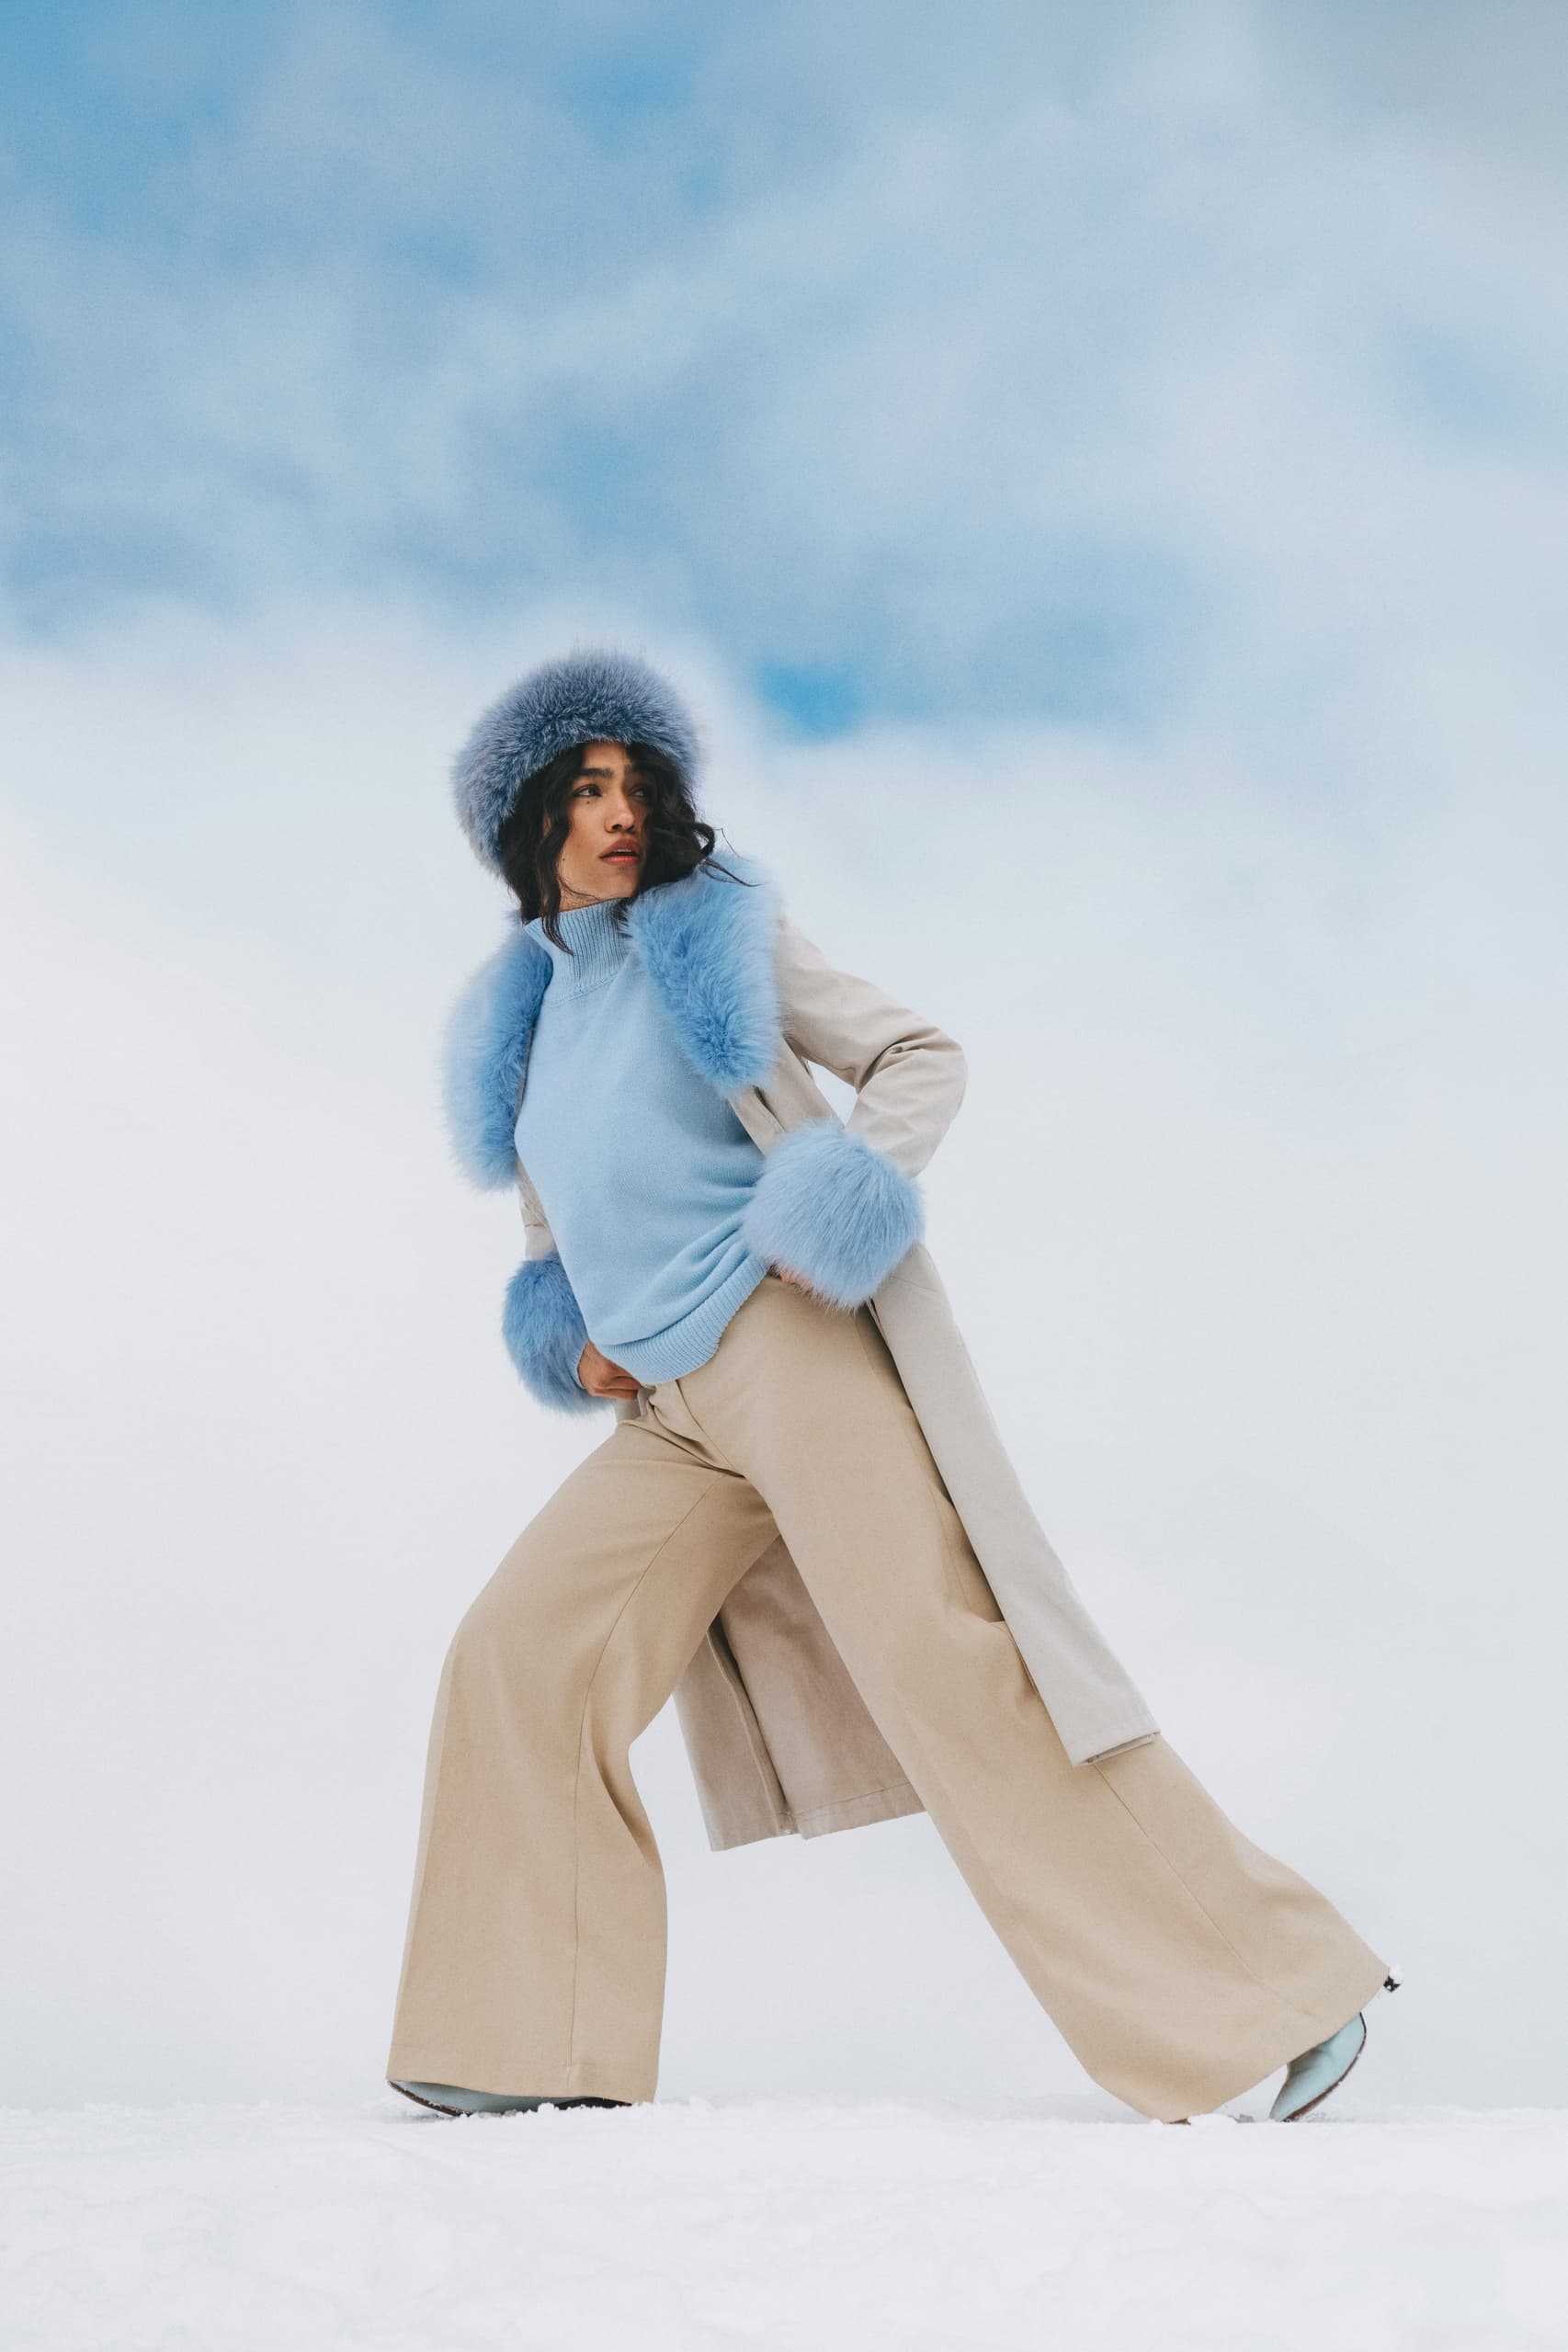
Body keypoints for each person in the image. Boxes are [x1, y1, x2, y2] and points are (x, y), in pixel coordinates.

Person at [385, 647, 1397, 2126]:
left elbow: (920, 1054)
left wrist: (825, 1206)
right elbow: (561, 1209)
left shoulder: (709, 930)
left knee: (955, 1673)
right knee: (516, 1656)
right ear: (523, 816)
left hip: (787, 1357)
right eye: (585, 789)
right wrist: (566, 1329)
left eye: (635, 786)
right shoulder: (515, 1018)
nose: (618, 813)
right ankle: (526, 2049)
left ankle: (1283, 1993)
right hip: (664, 1414)